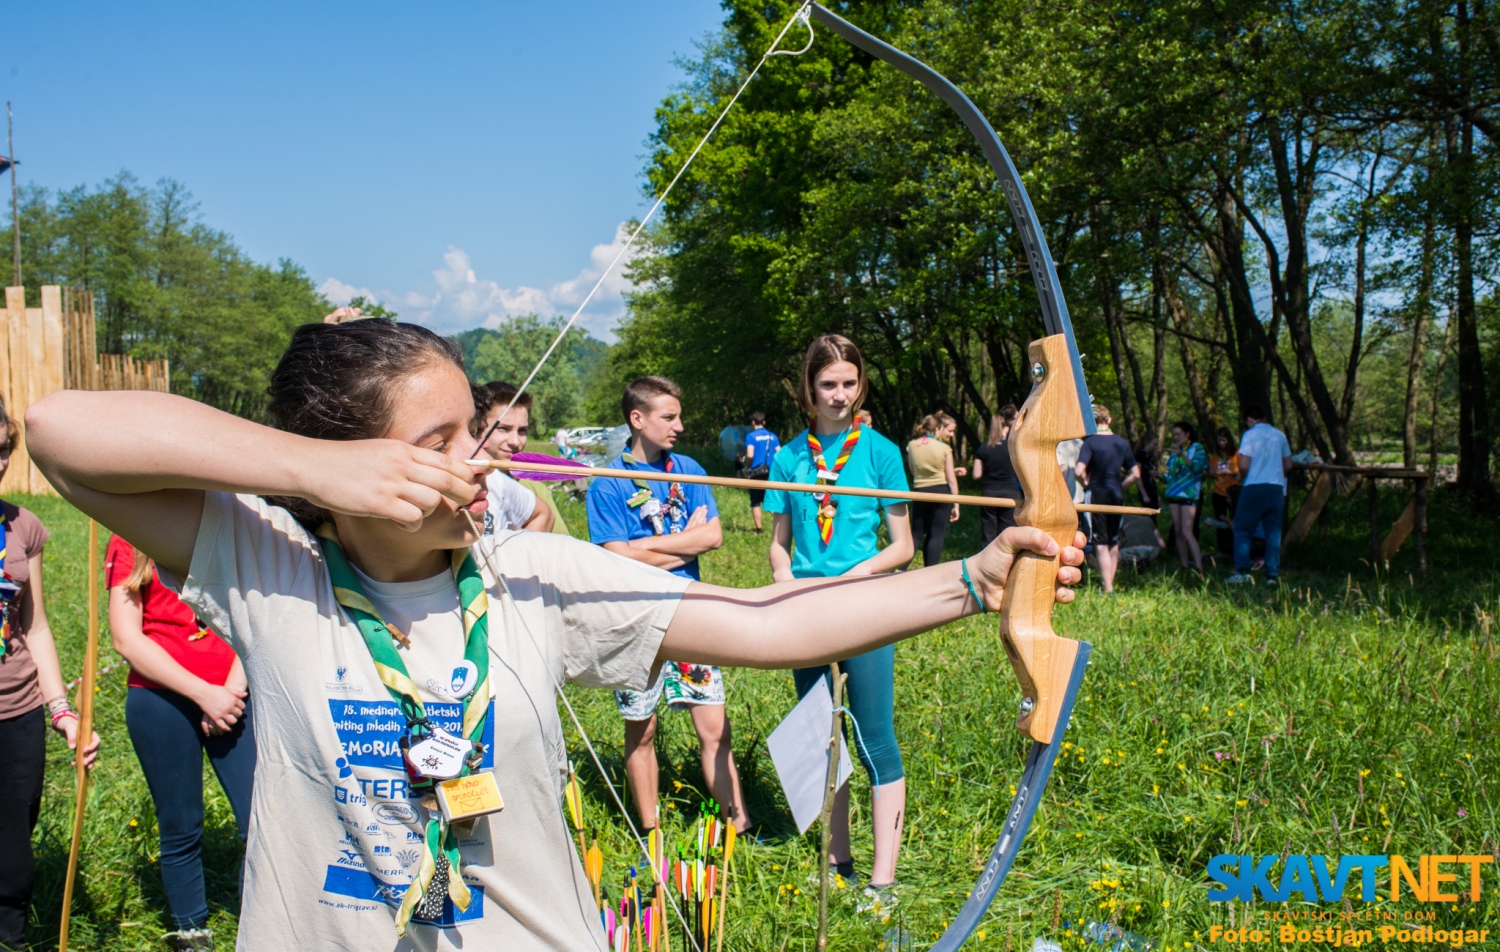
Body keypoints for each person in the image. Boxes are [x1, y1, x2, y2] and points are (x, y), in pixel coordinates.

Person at [23, 319, 1082, 950]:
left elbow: (772, 616)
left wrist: (979, 578)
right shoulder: (272, 571)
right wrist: (312, 469)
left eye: (473, 432)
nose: (480, 460)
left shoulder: (522, 570)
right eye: (438, 442)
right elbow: (62, 433)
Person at [765, 335, 915, 903]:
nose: (840, 395)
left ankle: (883, 880)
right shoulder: (787, 457)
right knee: (820, 736)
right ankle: (837, 861)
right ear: (809, 388)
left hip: (866, 607)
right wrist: (784, 577)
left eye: (850, 383)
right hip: (808, 609)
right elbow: (780, 543)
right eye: (828, 384)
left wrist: (856, 576)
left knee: (874, 737)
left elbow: (901, 545)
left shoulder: (881, 453)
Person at [584, 377, 753, 836]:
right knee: (642, 730)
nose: (679, 425)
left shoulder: (691, 470)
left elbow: (713, 536)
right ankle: (650, 831)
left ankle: (739, 823)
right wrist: (685, 545)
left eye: (679, 416)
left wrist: (647, 550)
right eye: (669, 416)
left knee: (714, 726)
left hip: (690, 613)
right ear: (637, 420)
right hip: (635, 620)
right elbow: (614, 559)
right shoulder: (609, 483)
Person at [107, 537, 256, 951]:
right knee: (180, 822)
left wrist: (230, 690)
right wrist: (202, 694)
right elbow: (126, 638)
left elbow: (257, 616)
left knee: (261, 817)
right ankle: (192, 932)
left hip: (235, 692)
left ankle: (258, 924)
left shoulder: (231, 530)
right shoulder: (128, 540)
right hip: (161, 697)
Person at [0, 400, 100, 952]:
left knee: (14, 843)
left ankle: (10, 934)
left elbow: (35, 627)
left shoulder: (22, 526)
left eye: (2, 451)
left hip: (16, 707)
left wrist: (62, 711)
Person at [471, 381, 567, 535]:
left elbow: (562, 544)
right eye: (503, 428)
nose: (515, 441)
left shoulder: (534, 488)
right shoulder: (464, 479)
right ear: (477, 428)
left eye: (522, 431)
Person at [1075, 404, 1140, 594]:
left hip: (1096, 494)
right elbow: (1135, 473)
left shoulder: (1090, 443)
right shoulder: (1122, 443)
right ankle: (1109, 584)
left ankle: (1108, 587)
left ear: (1093, 422)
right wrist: (1121, 486)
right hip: (1116, 494)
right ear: (1109, 420)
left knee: (1100, 542)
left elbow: (1078, 470)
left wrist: (1086, 482)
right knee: (1113, 541)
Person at [1228, 406, 1292, 587]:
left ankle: (1242, 571)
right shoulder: (1279, 435)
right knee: (1273, 532)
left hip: (1254, 486)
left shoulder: (1250, 435)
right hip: (1276, 487)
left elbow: (1244, 463)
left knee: (1242, 528)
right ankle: (1271, 575)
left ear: (1250, 420)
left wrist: (1242, 474)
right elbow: (1288, 465)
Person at [905, 413, 965, 568]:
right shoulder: (945, 448)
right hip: (941, 492)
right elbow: (951, 479)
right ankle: (930, 569)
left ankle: (901, 566)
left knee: (916, 533)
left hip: (920, 491)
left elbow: (913, 471)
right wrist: (956, 505)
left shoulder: (912, 445)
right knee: (935, 534)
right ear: (938, 429)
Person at [1162, 422, 1208, 574]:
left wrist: (1181, 455)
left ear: (1187, 434)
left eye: (1178, 434)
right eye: (1174, 435)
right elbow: (1169, 473)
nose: (1176, 438)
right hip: (1174, 493)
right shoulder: (1175, 452)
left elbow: (1198, 468)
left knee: (1187, 532)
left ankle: (1199, 567)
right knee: (1178, 531)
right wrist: (1160, 474)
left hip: (1189, 494)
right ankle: (1184, 566)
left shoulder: (1197, 448)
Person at [972, 406, 1022, 544]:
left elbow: (976, 474)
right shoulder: (1013, 447)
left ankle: (986, 565)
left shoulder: (983, 448)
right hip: (1011, 494)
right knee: (1009, 534)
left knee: (988, 535)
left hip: (989, 494)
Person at [742, 412, 781, 535]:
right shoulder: (772, 436)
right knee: (771, 500)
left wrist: (746, 467)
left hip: (756, 473)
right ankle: (781, 528)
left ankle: (759, 530)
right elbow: (780, 453)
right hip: (771, 472)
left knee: (756, 501)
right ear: (764, 422)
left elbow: (750, 454)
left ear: (753, 422)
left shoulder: (751, 436)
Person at [1207, 427, 1241, 559]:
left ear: (1229, 440)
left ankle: (1236, 547)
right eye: (1219, 440)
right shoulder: (1216, 455)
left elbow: (1241, 473)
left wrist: (1229, 473)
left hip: (1233, 491)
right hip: (1218, 492)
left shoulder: (1236, 453)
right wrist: (1212, 472)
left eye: (1224, 440)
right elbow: (1210, 471)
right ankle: (1222, 548)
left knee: (1234, 519)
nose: (1221, 443)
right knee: (1220, 520)